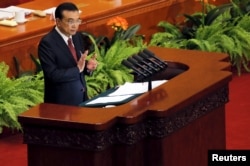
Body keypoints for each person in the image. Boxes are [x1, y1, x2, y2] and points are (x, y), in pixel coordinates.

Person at [38, 2, 97, 106]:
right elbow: (52, 75)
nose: (75, 25)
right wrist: (77, 69)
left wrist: (87, 66)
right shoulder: (47, 43)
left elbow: (75, 63)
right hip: (62, 105)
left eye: (77, 20)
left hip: (82, 100)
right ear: (58, 22)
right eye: (70, 21)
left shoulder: (77, 36)